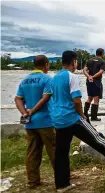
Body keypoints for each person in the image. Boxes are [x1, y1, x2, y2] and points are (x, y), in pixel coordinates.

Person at [51, 50, 105, 192]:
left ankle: (62, 185)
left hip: (58, 120)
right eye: (76, 61)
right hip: (72, 118)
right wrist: (82, 115)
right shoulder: (71, 77)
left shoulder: (54, 78)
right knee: (98, 139)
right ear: (74, 62)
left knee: (61, 152)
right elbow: (76, 100)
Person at [14, 55, 55, 189]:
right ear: (46, 65)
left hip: (30, 123)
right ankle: (61, 176)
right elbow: (46, 97)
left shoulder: (25, 81)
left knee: (32, 152)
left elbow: (18, 99)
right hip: (45, 121)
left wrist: (25, 113)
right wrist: (33, 111)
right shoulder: (47, 79)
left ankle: (33, 181)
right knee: (54, 150)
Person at [83, 48, 105, 122]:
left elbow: (84, 70)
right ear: (102, 54)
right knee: (96, 99)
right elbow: (101, 71)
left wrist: (88, 76)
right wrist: (93, 77)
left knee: (89, 98)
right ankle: (94, 117)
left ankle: (84, 114)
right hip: (97, 82)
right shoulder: (102, 62)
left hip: (89, 81)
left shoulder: (89, 60)